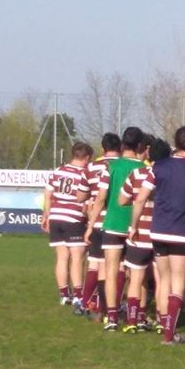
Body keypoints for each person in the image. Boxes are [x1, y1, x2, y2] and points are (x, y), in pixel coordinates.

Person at [129, 126, 185, 345]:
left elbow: (140, 198)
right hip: (183, 234)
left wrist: (133, 226)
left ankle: (165, 325)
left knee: (164, 279)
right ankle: (169, 334)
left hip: (158, 232)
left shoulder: (158, 166)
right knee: (178, 283)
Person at [86, 127, 146, 331]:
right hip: (136, 226)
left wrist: (90, 225)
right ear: (140, 146)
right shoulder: (145, 169)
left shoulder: (110, 167)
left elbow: (101, 198)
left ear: (122, 144)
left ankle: (111, 317)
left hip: (112, 224)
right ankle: (136, 316)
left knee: (110, 270)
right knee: (135, 274)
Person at [119, 137, 171, 333]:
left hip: (140, 233)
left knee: (136, 278)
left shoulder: (137, 174)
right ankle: (162, 321)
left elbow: (122, 200)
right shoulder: (170, 177)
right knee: (162, 280)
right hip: (161, 234)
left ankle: (132, 321)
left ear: (149, 154)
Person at [73, 132, 120, 317]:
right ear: (120, 147)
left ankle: (86, 303)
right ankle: (109, 308)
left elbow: (80, 196)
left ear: (102, 148)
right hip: (117, 221)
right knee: (117, 267)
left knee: (96, 263)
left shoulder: (91, 167)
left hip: (97, 219)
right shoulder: (123, 165)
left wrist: (91, 195)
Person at [41, 141, 93, 305]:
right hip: (74, 218)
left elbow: (48, 194)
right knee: (77, 257)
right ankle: (78, 295)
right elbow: (86, 201)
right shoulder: (85, 174)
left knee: (62, 257)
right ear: (87, 158)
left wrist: (46, 214)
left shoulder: (58, 171)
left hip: (56, 217)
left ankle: (64, 295)